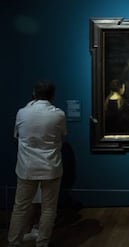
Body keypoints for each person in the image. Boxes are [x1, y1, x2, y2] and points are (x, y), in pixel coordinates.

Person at [8, 80, 67, 247]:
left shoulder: (22, 113)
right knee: (48, 209)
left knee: (20, 207)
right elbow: (62, 137)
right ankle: (42, 243)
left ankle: (14, 242)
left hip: (27, 167)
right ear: (52, 95)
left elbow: (16, 136)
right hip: (51, 167)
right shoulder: (58, 114)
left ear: (34, 94)